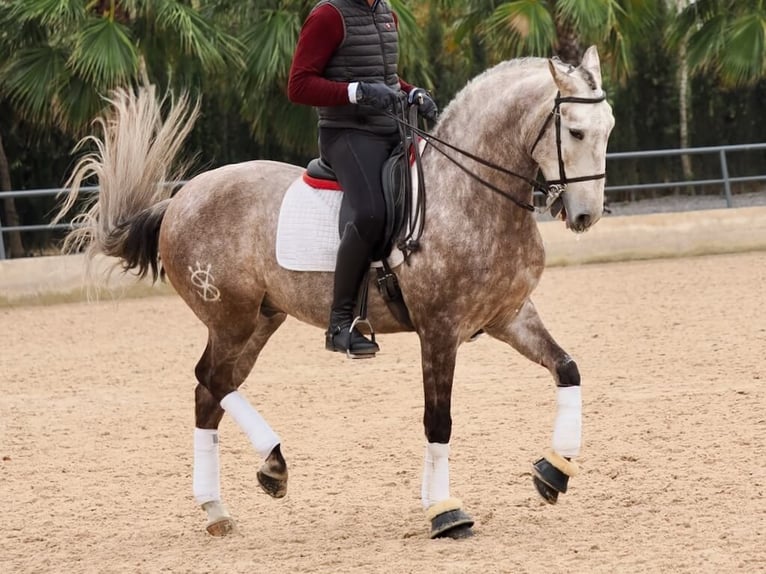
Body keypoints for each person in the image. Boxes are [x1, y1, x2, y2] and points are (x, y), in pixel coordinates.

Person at [288, 0, 437, 358]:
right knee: (370, 213)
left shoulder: (386, 13)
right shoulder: (328, 15)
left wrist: (410, 91)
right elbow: (299, 86)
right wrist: (358, 92)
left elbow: (384, 76)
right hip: (347, 133)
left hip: (391, 129)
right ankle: (340, 323)